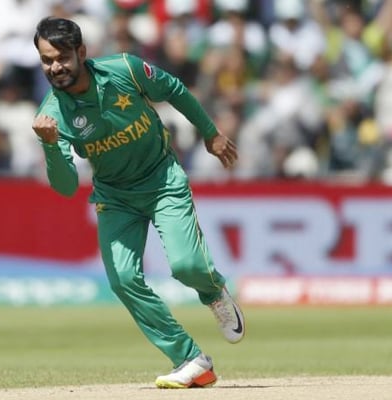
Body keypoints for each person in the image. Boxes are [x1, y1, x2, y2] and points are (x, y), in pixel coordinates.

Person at [31, 17, 245, 389]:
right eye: (47, 60)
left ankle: (213, 293)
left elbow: (174, 89)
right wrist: (50, 144)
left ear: (82, 52)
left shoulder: (125, 68)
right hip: (115, 196)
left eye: (62, 57)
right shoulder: (53, 114)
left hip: (163, 179)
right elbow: (65, 188)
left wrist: (210, 135)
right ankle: (190, 358)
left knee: (187, 265)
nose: (55, 67)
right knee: (124, 279)